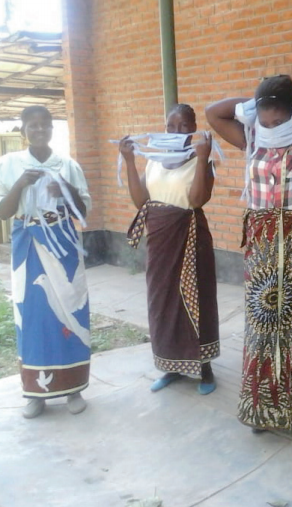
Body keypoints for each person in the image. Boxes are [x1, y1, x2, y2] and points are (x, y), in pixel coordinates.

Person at [206, 74, 292, 444]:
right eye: (264, 120)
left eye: (277, 120)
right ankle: (265, 405)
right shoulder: (251, 139)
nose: (270, 127)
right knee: (264, 326)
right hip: (263, 245)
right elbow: (213, 114)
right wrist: (250, 105)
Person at [118, 103, 220, 395]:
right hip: (160, 242)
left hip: (191, 239)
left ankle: (204, 368)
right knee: (161, 302)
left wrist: (203, 158)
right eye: (170, 126)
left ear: (193, 128)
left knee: (196, 299)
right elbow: (141, 202)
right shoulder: (154, 161)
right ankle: (171, 365)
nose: (176, 131)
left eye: (183, 125)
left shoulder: (202, 160)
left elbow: (197, 200)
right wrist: (129, 161)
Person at [0, 105, 91, 419]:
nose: (40, 130)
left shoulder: (67, 165)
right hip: (28, 246)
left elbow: (83, 212)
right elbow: (3, 212)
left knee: (69, 311)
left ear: (52, 128)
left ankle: (74, 388)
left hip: (63, 247)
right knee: (33, 316)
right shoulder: (10, 164)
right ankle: (35, 393)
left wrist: (66, 189)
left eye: (45, 125)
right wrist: (20, 184)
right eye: (33, 125)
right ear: (23, 130)